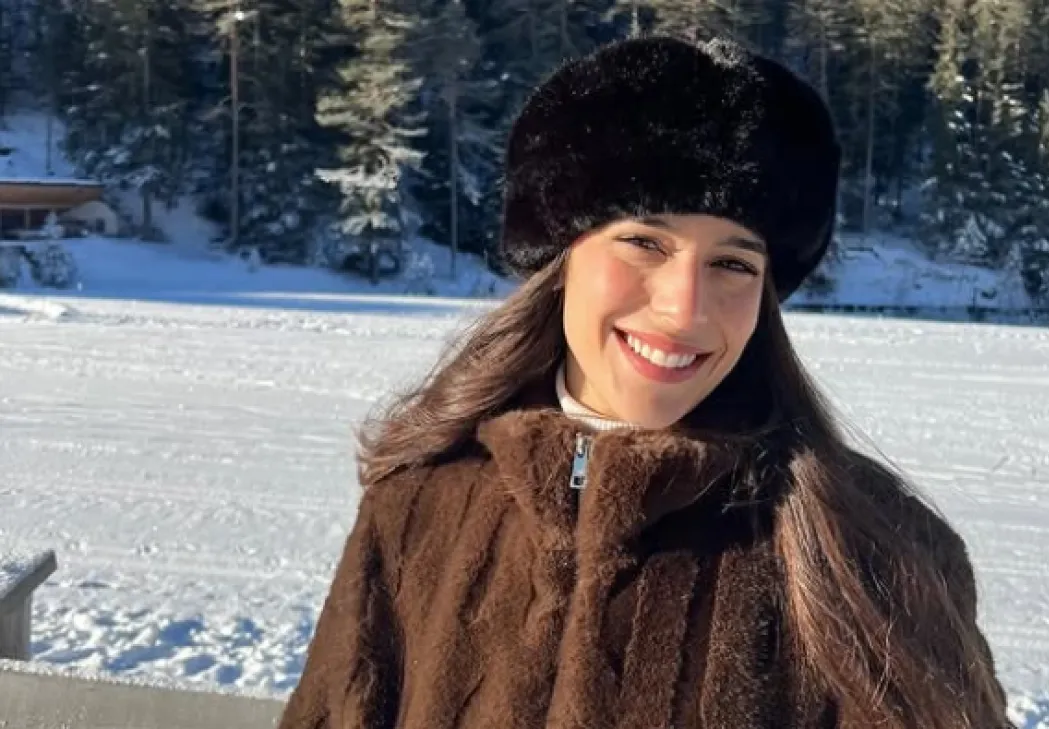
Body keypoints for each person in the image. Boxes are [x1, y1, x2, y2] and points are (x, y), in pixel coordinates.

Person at [278, 35, 1012, 729]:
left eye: (733, 263)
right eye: (643, 242)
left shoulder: (873, 547)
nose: (684, 308)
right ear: (560, 257)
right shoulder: (413, 509)